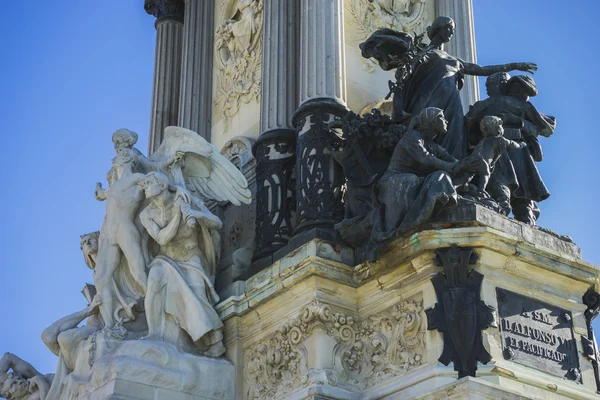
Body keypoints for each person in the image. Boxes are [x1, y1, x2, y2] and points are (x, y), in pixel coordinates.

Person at [139, 172, 225, 357]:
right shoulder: (146, 214)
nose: (144, 186)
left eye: (148, 182)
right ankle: (154, 332)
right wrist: (178, 215)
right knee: (154, 280)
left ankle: (215, 341)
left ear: (162, 186)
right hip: (166, 259)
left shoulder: (187, 199)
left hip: (191, 257)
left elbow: (217, 223)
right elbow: (162, 239)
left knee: (198, 295)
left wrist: (197, 214)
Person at [371, 107, 480, 243]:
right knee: (412, 180)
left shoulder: (434, 145)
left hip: (415, 181)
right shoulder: (412, 137)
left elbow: (452, 160)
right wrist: (455, 167)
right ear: (431, 121)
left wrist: (469, 166)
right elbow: (426, 158)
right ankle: (411, 223)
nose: (446, 121)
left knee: (441, 176)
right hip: (393, 181)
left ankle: (443, 204)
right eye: (441, 118)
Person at [470, 116, 525, 193]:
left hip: (471, 159)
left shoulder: (482, 141)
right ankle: (481, 190)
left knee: (468, 175)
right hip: (482, 162)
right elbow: (512, 143)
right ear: (496, 128)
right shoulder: (499, 139)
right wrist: (521, 145)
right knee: (485, 174)